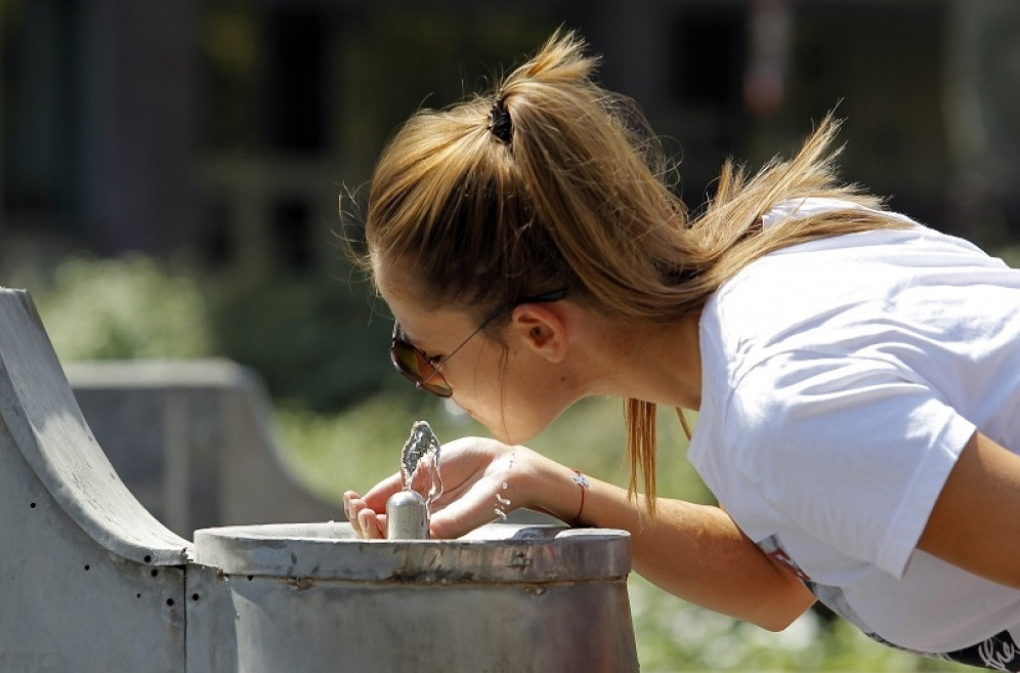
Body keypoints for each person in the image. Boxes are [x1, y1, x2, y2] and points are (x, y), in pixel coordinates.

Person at [343, 30, 1020, 671]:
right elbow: (789, 581)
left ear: (538, 332)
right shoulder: (763, 267)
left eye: (423, 354)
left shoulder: (781, 399)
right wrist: (544, 484)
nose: (422, 378)